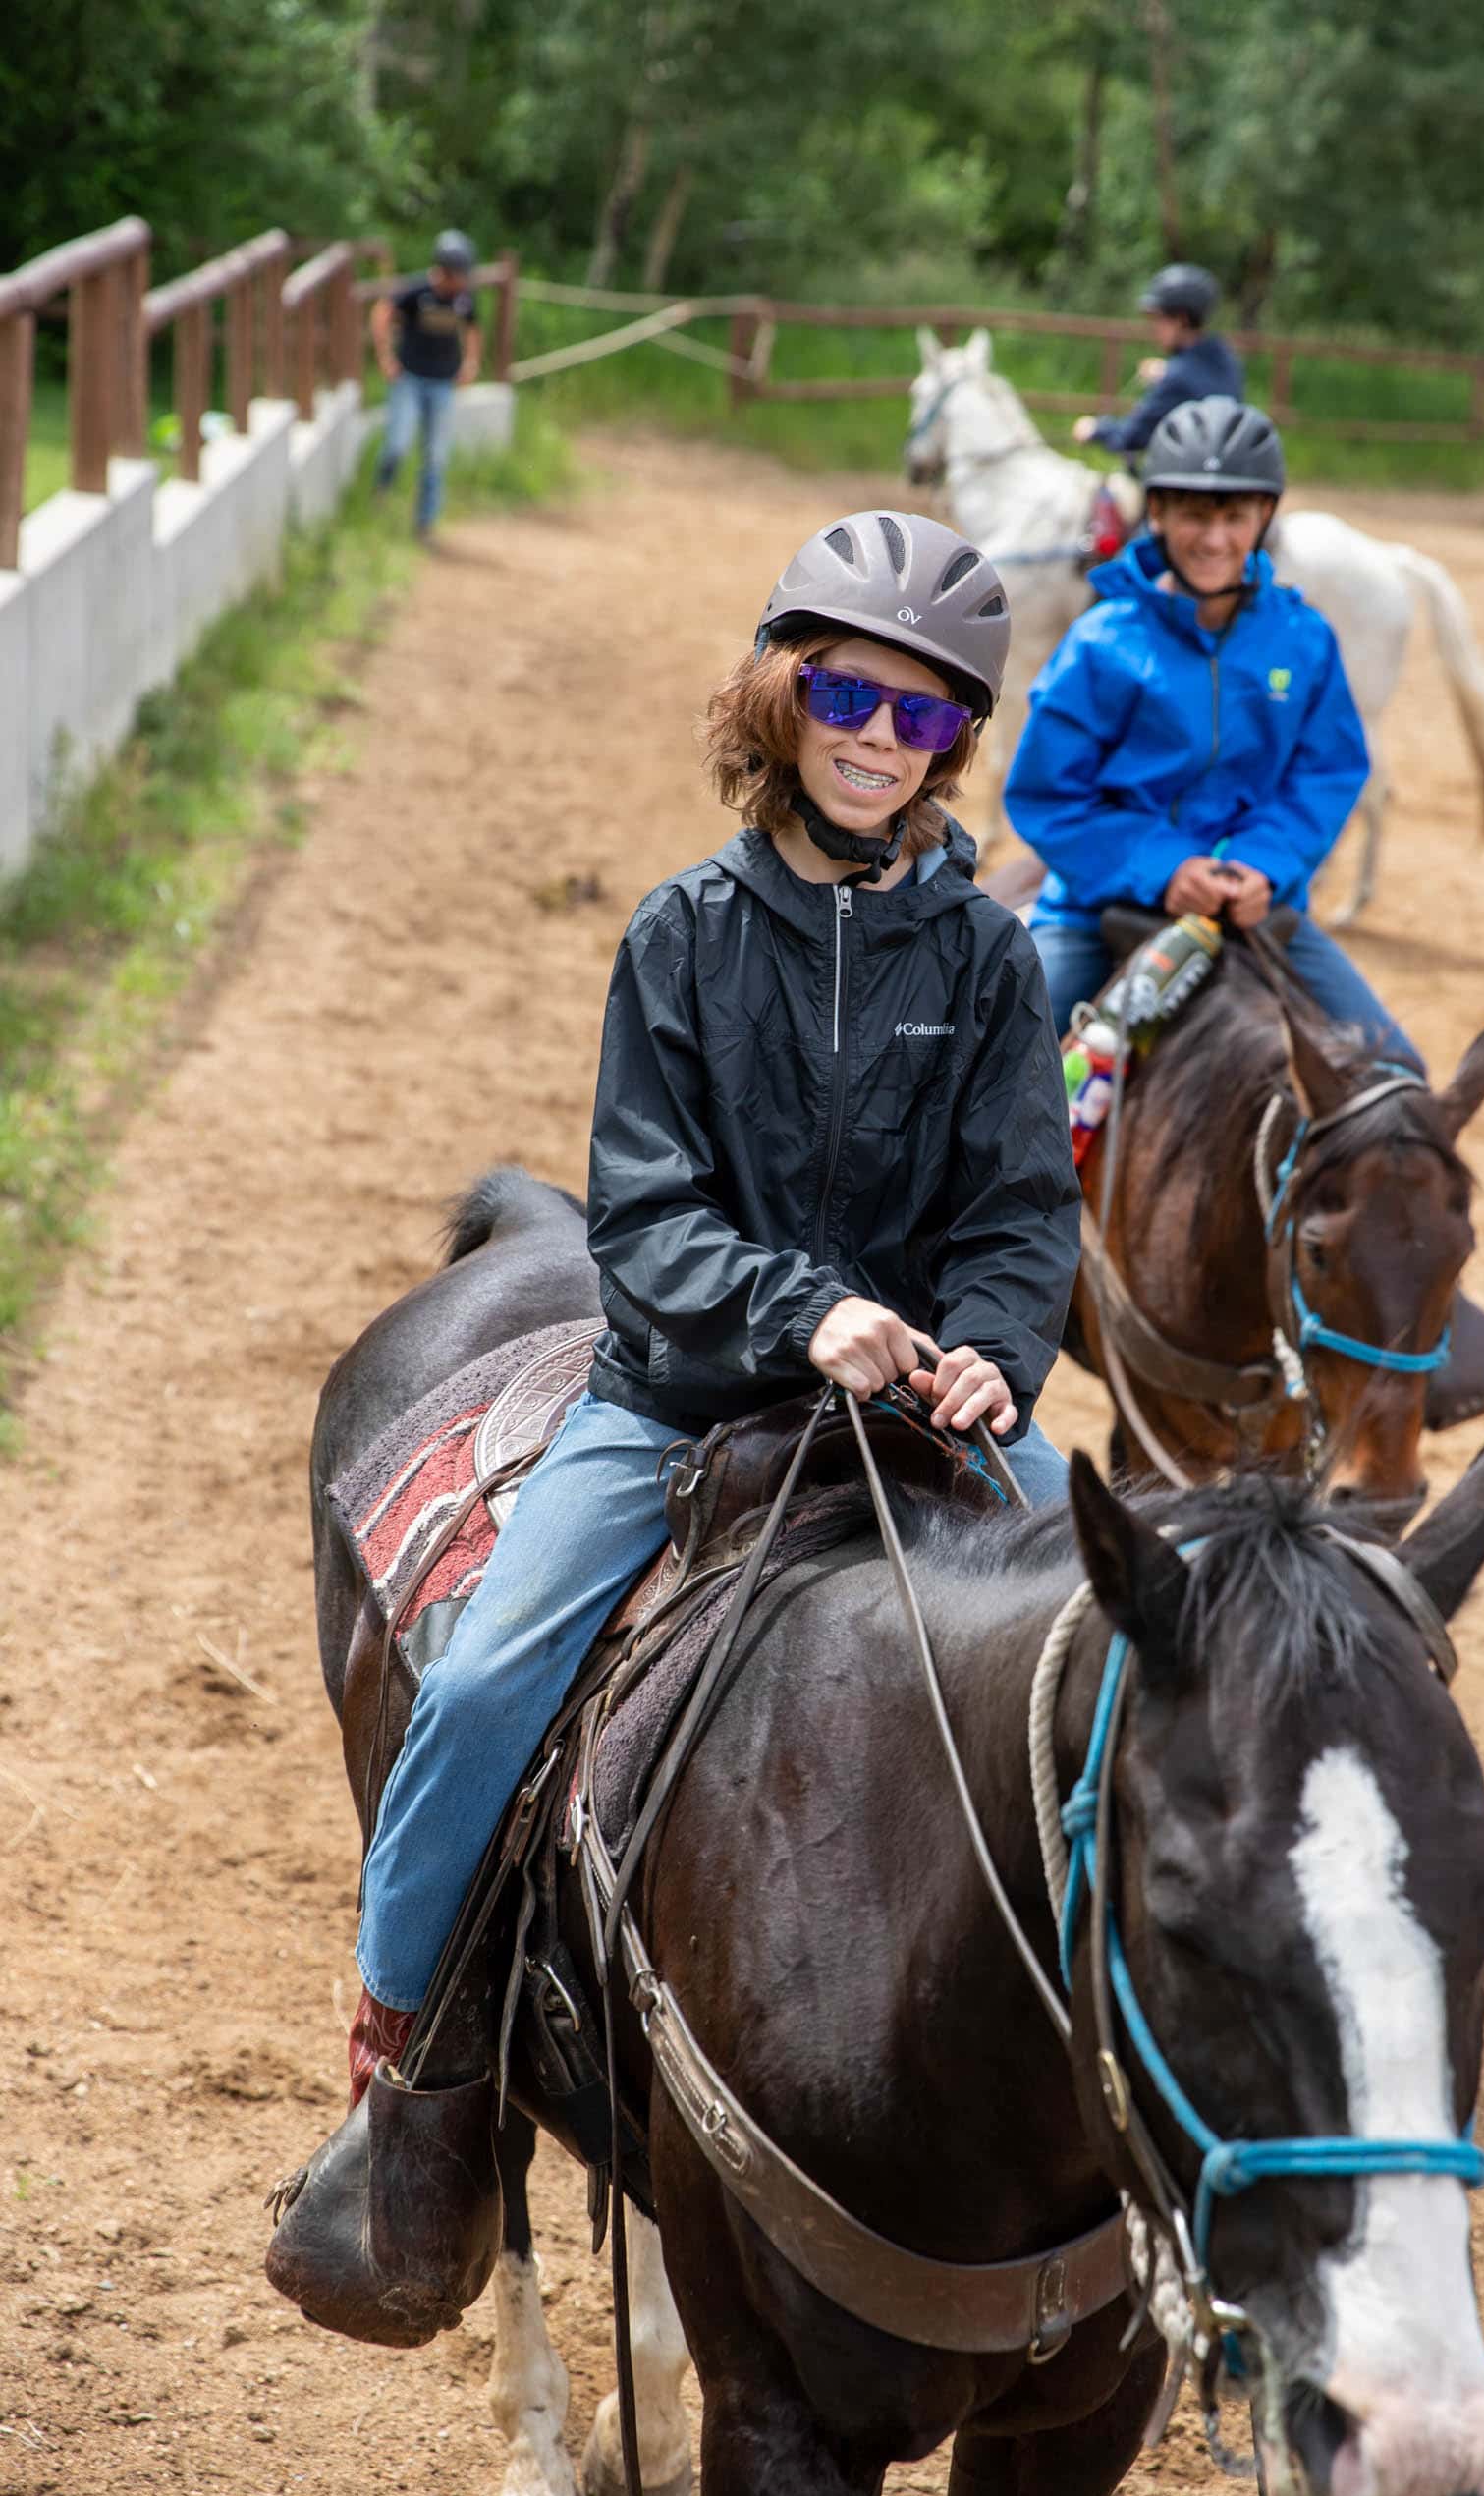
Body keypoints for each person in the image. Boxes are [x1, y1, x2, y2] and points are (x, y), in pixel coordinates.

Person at [347, 510, 1082, 2102]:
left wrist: (992, 1356)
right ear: (781, 697)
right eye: (848, 699)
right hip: (682, 1388)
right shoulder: (679, 937)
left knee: (1136, 1631)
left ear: (957, 740)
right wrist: (802, 1313)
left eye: (924, 713)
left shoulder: (983, 960)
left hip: (916, 1404)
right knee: (480, 1683)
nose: (881, 740)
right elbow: (650, 1215)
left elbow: (1022, 1212)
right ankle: (397, 2054)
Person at [1006, 394, 1420, 1071]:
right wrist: (1164, 867)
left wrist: (1263, 863)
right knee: (985, 1071)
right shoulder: (1100, 643)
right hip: (1098, 906)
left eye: (1234, 516)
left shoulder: (1304, 641)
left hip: (1258, 906)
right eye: (1195, 514)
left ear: (1264, 517)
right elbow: (1048, 796)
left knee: (1396, 1074)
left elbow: (1324, 774)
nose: (1214, 538)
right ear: (1159, 513)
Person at [371, 228, 482, 540]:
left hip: (443, 383)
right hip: (409, 379)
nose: (464, 280)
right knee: (398, 444)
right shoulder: (416, 291)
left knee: (436, 457)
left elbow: (474, 330)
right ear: (447, 270)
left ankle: (425, 524)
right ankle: (382, 492)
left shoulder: (463, 300)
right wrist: (385, 357)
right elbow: (381, 312)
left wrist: (471, 363)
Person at [1071, 263, 1244, 461]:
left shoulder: (1176, 378)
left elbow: (1132, 436)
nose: (1154, 328)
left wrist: (1096, 429)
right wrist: (1168, 370)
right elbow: (1196, 379)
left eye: (1158, 319)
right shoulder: (1225, 357)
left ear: (1181, 319)